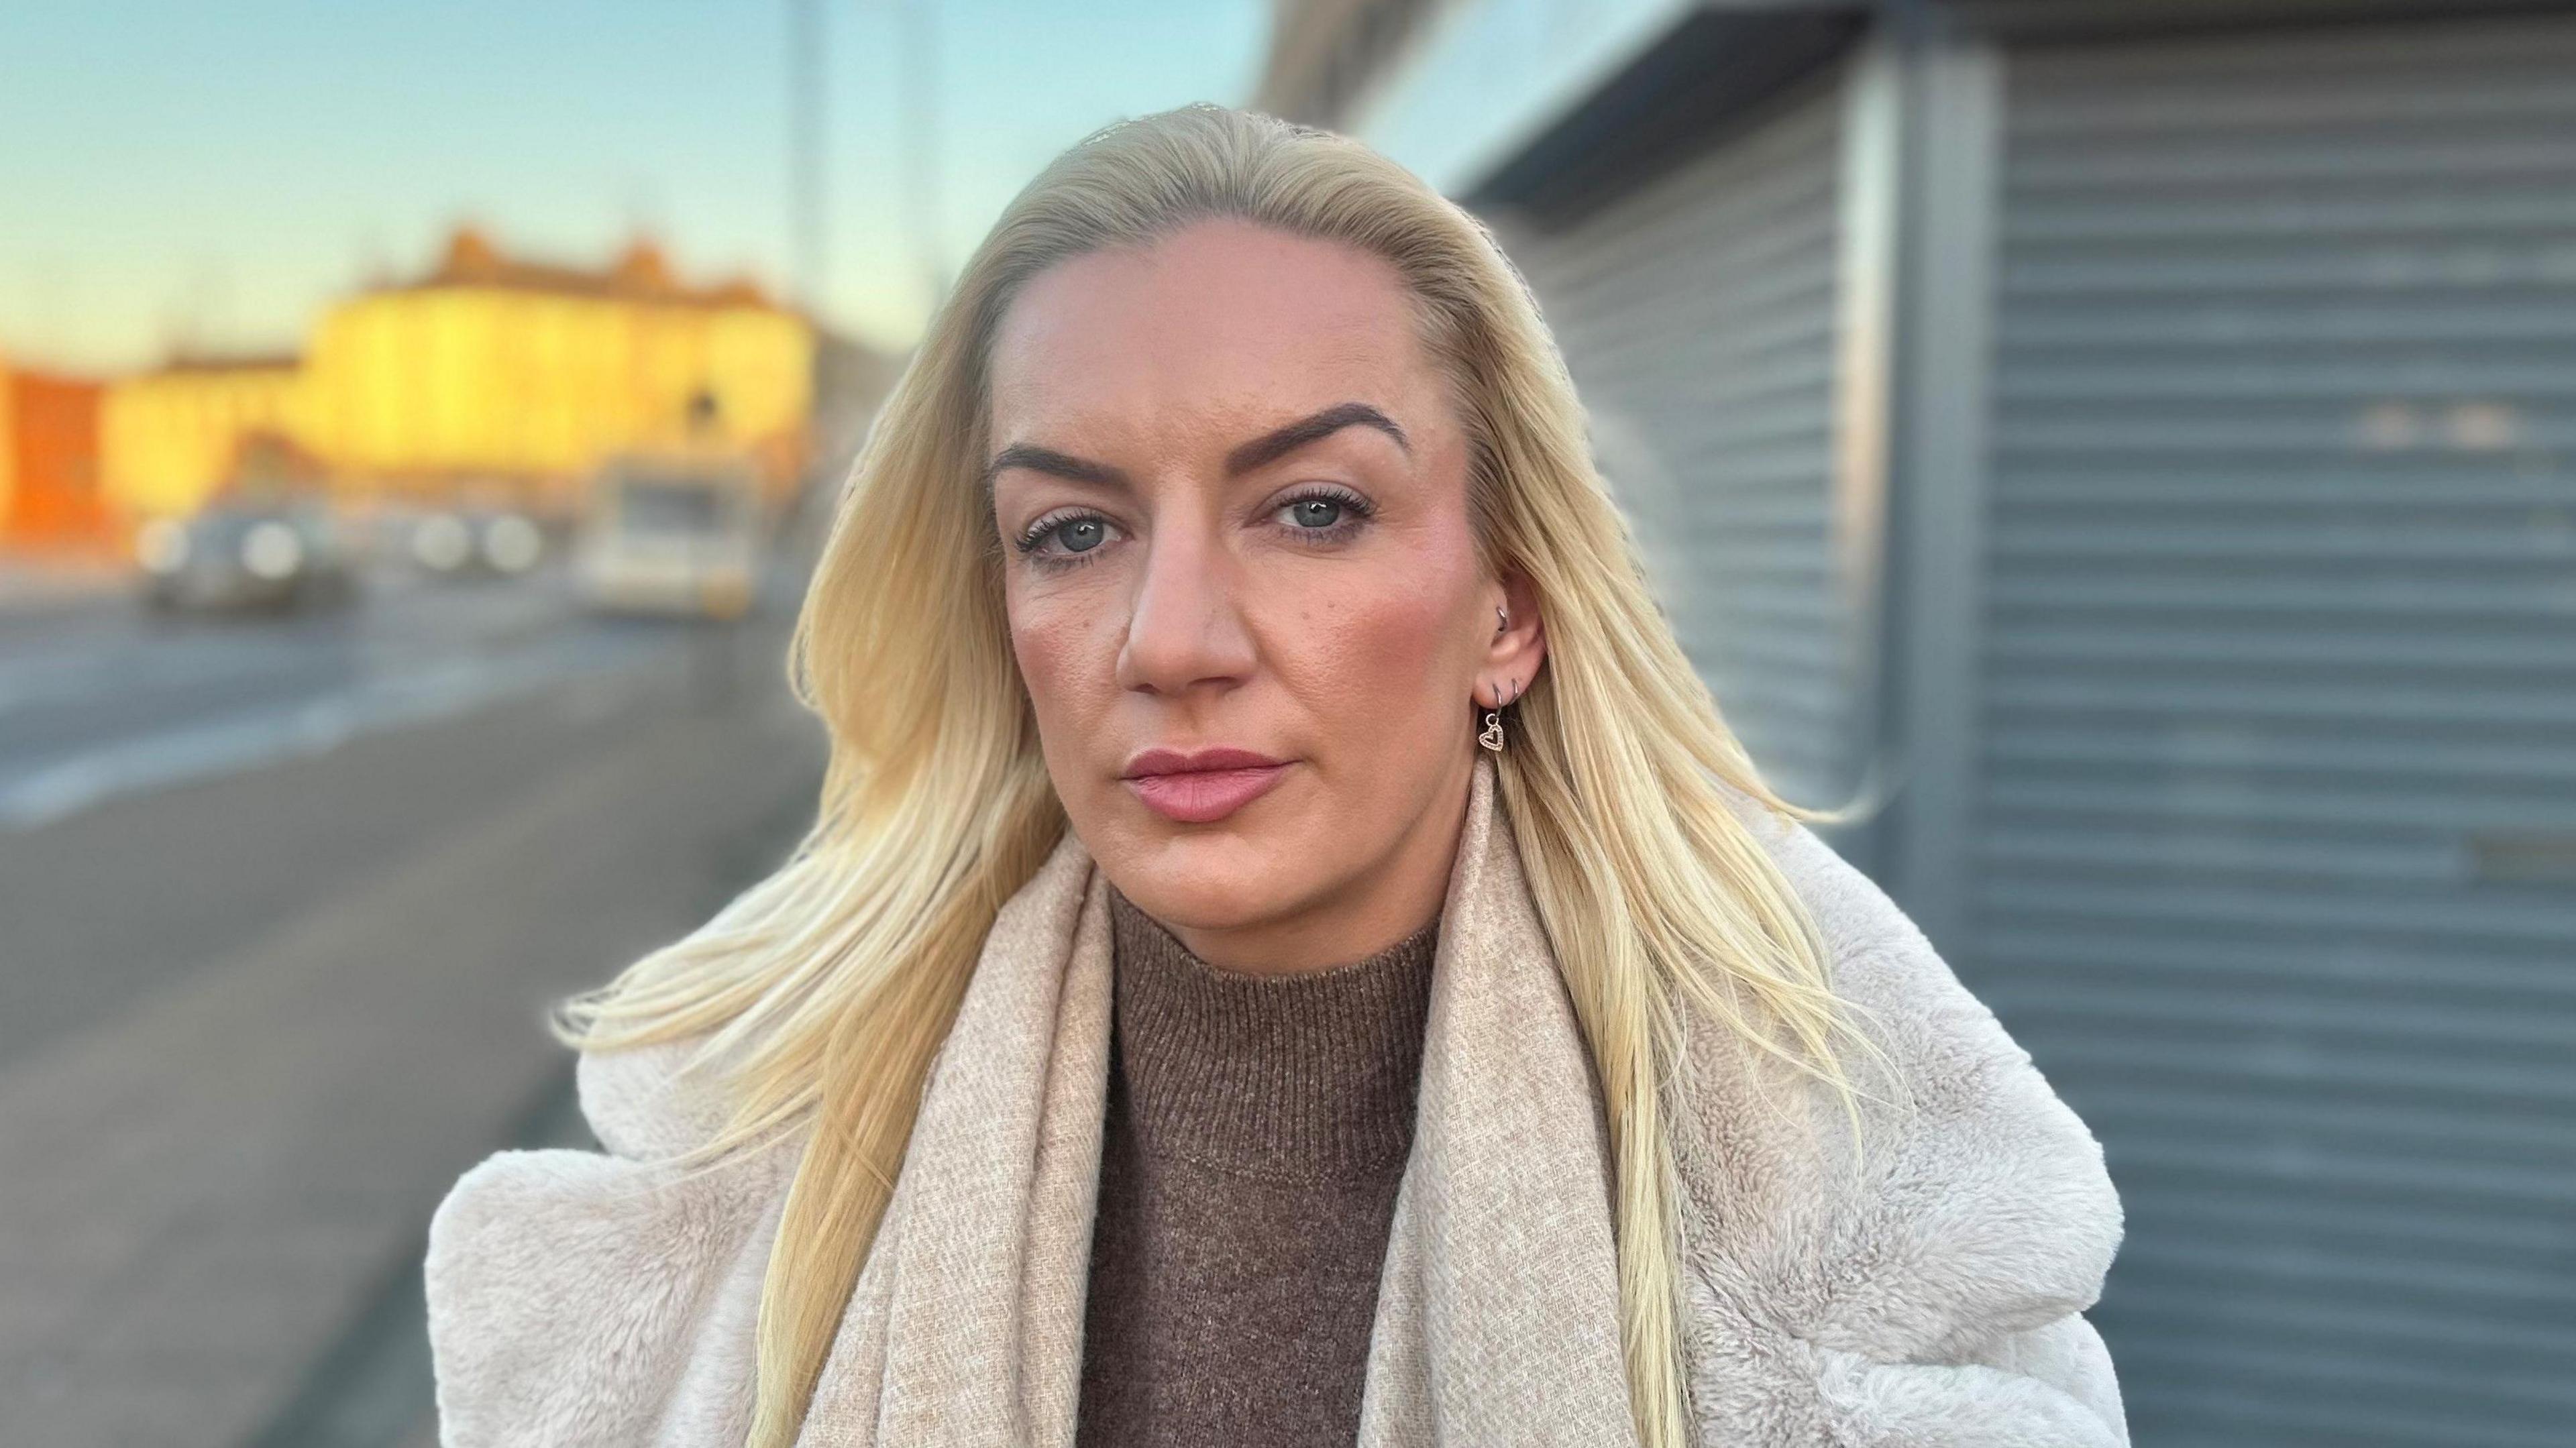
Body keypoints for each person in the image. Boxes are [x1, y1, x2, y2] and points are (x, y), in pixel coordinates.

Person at [423, 103, 2128, 1448]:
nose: (1171, 641)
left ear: (1509, 613)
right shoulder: (756, 1187)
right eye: (1072, 531)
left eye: (1312, 508)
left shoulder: (1842, 1205)